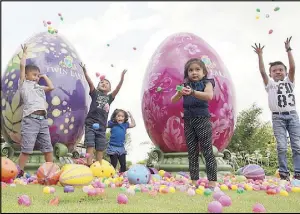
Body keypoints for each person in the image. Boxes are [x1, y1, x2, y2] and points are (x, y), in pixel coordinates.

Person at [252, 37, 300, 181]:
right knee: (282, 146)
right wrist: (260, 55)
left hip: (292, 116)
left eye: (280, 70)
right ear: (271, 73)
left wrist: (288, 50)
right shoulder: (270, 85)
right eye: (274, 70)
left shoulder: (289, 82)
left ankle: (298, 172)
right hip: (278, 117)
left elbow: (292, 67)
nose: (278, 72)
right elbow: (261, 71)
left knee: (297, 145)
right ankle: (284, 173)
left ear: (285, 73)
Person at [171, 58, 217, 188]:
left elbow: (209, 96)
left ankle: (212, 181)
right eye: (190, 70)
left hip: (202, 119)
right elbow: (173, 100)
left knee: (207, 150)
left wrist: (192, 92)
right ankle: (194, 181)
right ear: (187, 74)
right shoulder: (185, 85)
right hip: (188, 121)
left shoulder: (208, 82)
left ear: (204, 72)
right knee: (192, 151)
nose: (194, 72)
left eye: (197, 69)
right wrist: (179, 93)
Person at [17, 44, 55, 177]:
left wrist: (44, 77)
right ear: (26, 75)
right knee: (27, 149)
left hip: (43, 120)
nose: (36, 77)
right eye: (34, 75)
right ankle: (18, 172)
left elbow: (51, 87)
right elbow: (22, 67)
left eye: (38, 75)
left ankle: (51, 173)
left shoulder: (39, 87)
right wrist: (25, 53)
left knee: (48, 148)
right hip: (30, 120)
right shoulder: (24, 85)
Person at [79, 62, 127, 166]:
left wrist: (122, 78)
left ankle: (98, 165)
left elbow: (117, 89)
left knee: (100, 147)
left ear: (109, 89)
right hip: (91, 123)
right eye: (101, 82)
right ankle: (89, 164)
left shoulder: (109, 97)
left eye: (106, 83)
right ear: (98, 86)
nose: (104, 83)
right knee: (90, 144)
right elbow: (90, 83)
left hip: (102, 125)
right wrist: (85, 72)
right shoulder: (95, 93)